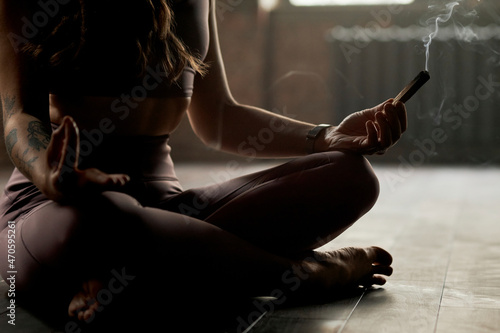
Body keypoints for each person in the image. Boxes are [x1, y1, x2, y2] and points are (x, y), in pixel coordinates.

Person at [0, 0, 404, 329]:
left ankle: (139, 277)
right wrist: (51, 176)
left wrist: (326, 136)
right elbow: (20, 117)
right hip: (57, 209)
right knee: (109, 216)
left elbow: (221, 119)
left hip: (170, 214)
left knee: (350, 176)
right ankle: (307, 273)